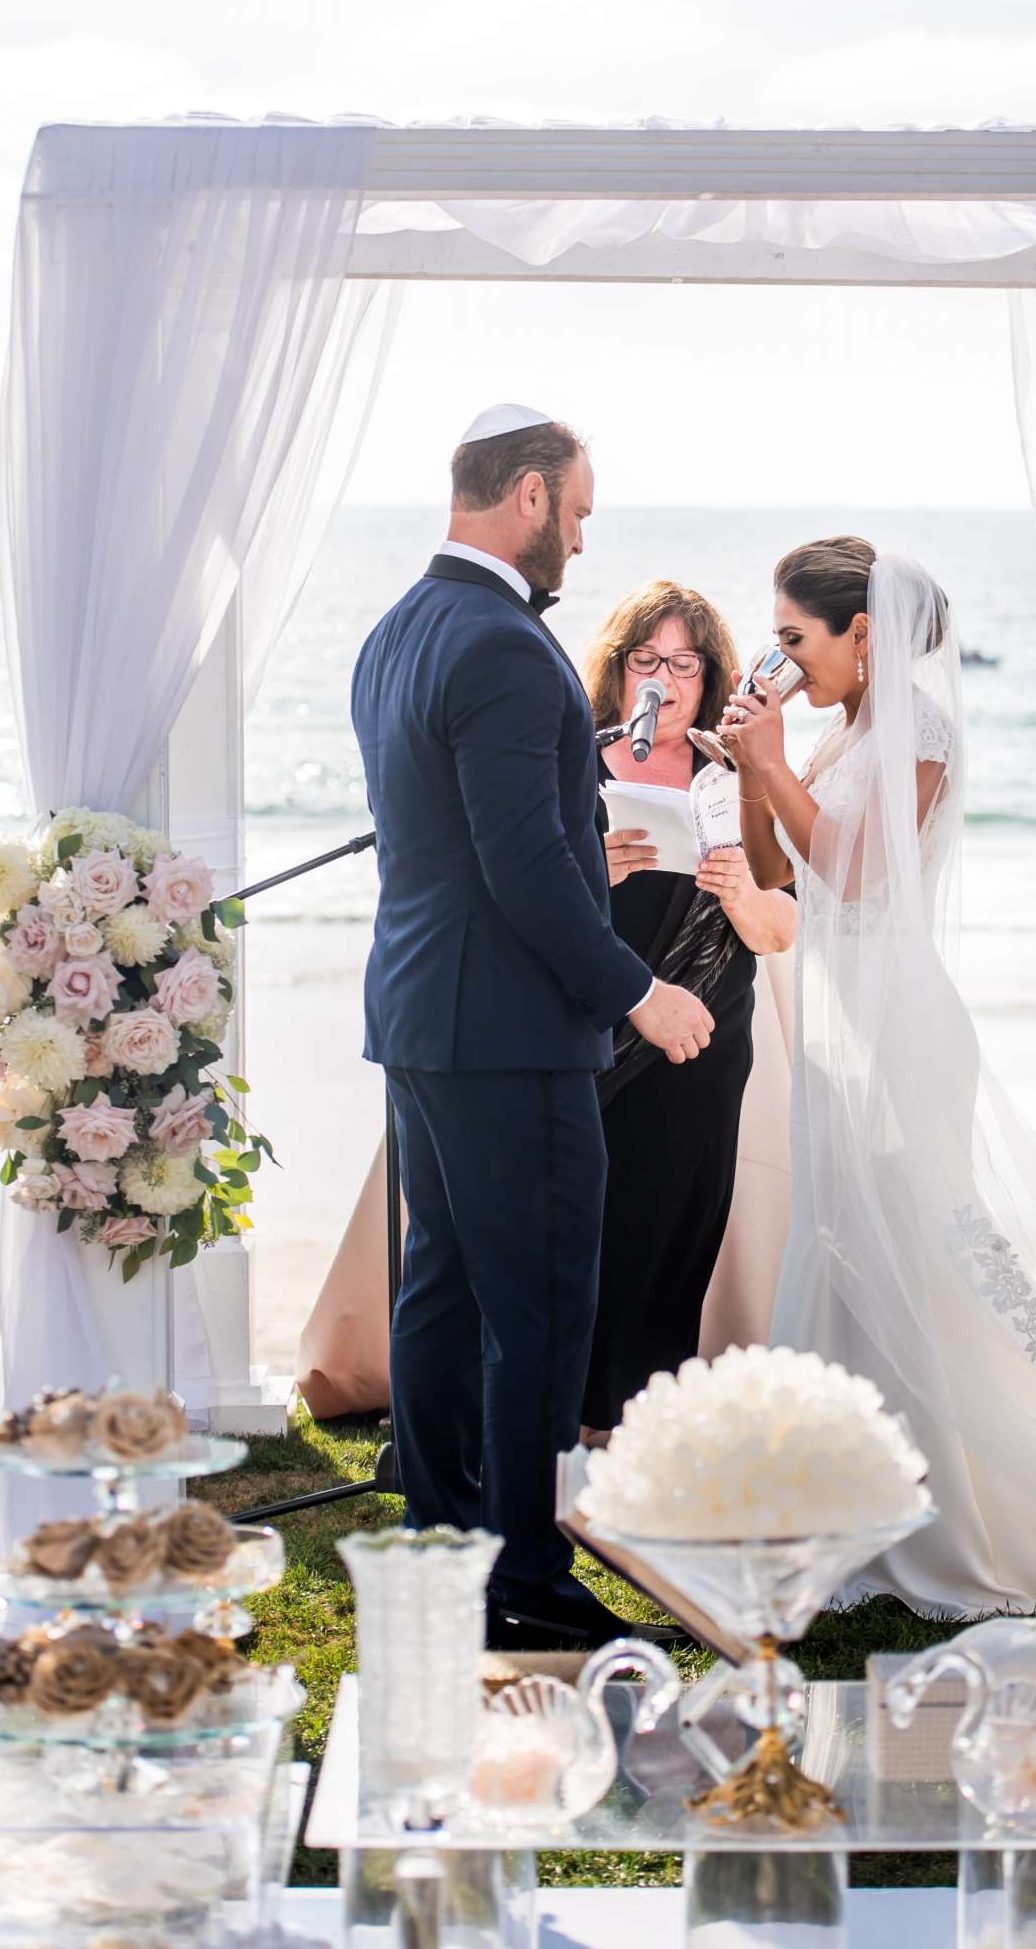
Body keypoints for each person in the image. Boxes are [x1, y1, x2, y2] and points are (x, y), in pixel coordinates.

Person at [719, 536, 1036, 1615]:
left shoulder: (923, 732)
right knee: (847, 1251)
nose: (783, 662)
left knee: (925, 1267)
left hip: (904, 1039)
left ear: (864, 635)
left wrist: (769, 764)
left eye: (795, 639)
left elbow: (854, 879)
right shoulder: (841, 734)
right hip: (839, 1030)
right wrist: (747, 775)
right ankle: (842, 1508)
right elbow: (783, 879)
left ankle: (972, 1511)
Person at [351, 403, 713, 1646]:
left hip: (422, 1017)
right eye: (579, 511)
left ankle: (444, 1556)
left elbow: (465, 841)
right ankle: (521, 1588)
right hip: (508, 1033)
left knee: (443, 1293)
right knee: (544, 1309)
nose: (580, 539)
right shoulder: (503, 644)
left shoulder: (400, 628)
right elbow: (520, 871)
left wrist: (574, 813)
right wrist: (640, 991)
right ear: (529, 498)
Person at [582, 584, 797, 1437]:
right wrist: (587, 872)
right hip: (593, 1022)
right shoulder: (575, 764)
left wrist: (743, 889)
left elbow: (781, 931)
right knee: (583, 1222)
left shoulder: (742, 777)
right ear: (618, 669)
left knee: (672, 1223)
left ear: (710, 677)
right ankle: (565, 1413)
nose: (663, 681)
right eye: (645, 661)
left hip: (704, 1037)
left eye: (683, 663)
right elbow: (523, 902)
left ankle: (640, 1419)